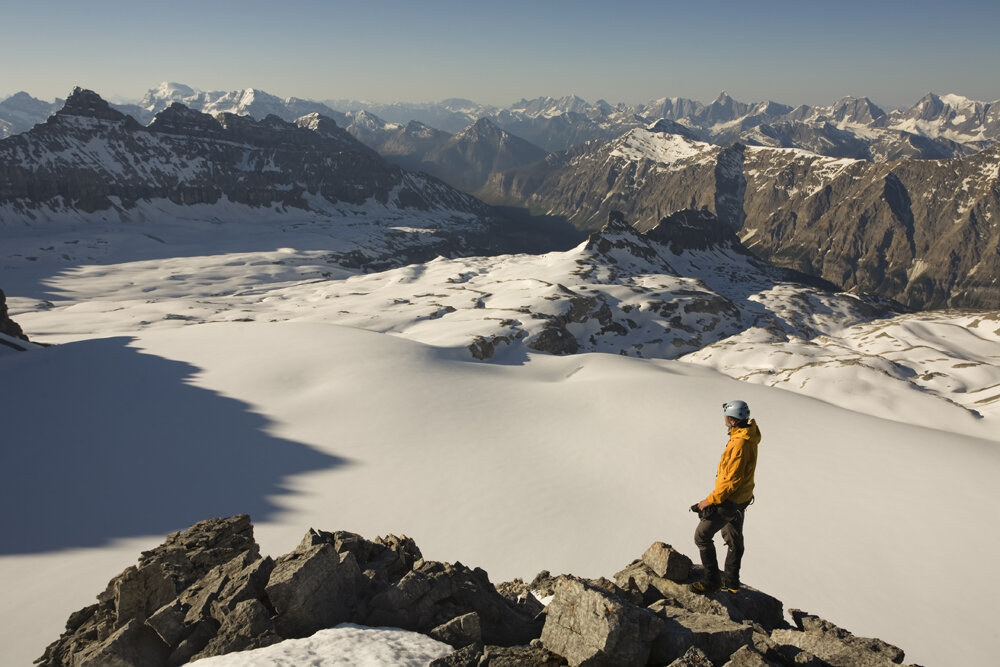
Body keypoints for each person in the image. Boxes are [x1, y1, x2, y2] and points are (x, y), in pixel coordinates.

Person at [690, 400, 761, 595]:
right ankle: (732, 584)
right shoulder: (747, 436)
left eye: (726, 416)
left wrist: (708, 501)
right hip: (741, 499)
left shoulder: (739, 444)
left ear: (732, 420)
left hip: (730, 500)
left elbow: (731, 481)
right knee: (733, 539)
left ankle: (711, 581)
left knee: (702, 536)